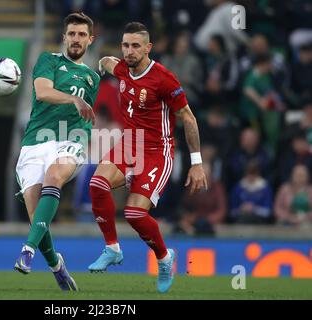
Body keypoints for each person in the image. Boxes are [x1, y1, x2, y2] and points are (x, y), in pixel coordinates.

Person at [90, 22, 207, 293]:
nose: (129, 51)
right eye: (125, 45)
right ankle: (112, 248)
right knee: (97, 184)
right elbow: (107, 62)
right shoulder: (121, 68)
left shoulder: (164, 79)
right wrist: (100, 63)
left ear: (148, 48)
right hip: (128, 144)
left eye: (135, 46)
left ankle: (165, 259)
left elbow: (187, 117)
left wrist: (197, 162)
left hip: (157, 151)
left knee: (133, 213)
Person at [13, 12, 100, 291]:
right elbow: (43, 92)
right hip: (35, 142)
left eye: (81, 34)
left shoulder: (92, 78)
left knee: (54, 176)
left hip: (70, 140)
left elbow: (86, 115)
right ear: (65, 37)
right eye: (71, 34)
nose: (76, 39)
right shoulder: (48, 60)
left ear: (90, 39)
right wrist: (74, 99)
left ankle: (27, 250)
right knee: (38, 217)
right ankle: (56, 265)